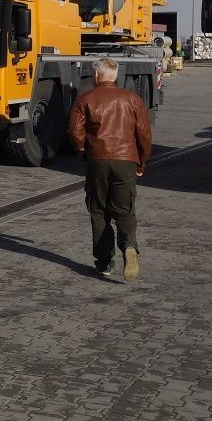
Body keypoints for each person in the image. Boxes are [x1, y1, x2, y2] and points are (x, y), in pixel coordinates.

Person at [67, 57, 153, 280]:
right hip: (126, 160)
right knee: (124, 210)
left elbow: (75, 132)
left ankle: (105, 261)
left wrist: (85, 153)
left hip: (97, 160)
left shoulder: (85, 98)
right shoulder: (132, 99)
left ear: (96, 75)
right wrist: (142, 162)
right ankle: (129, 247)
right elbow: (143, 133)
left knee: (98, 210)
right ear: (115, 76)